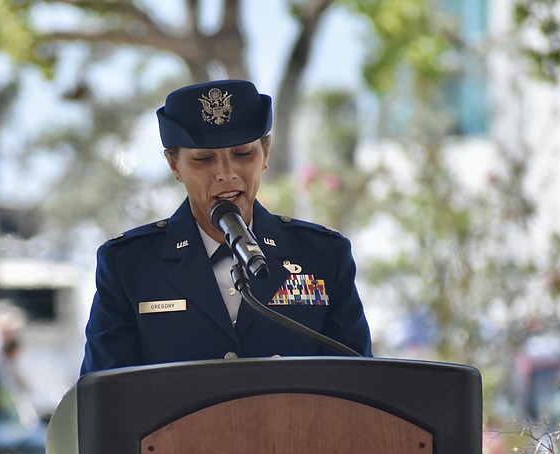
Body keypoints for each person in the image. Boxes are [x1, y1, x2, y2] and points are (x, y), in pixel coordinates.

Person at [80, 79, 372, 375]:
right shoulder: (129, 265)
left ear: (266, 152)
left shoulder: (322, 255)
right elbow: (104, 393)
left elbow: (361, 383)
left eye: (243, 154)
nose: (226, 174)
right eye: (203, 159)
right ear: (174, 165)